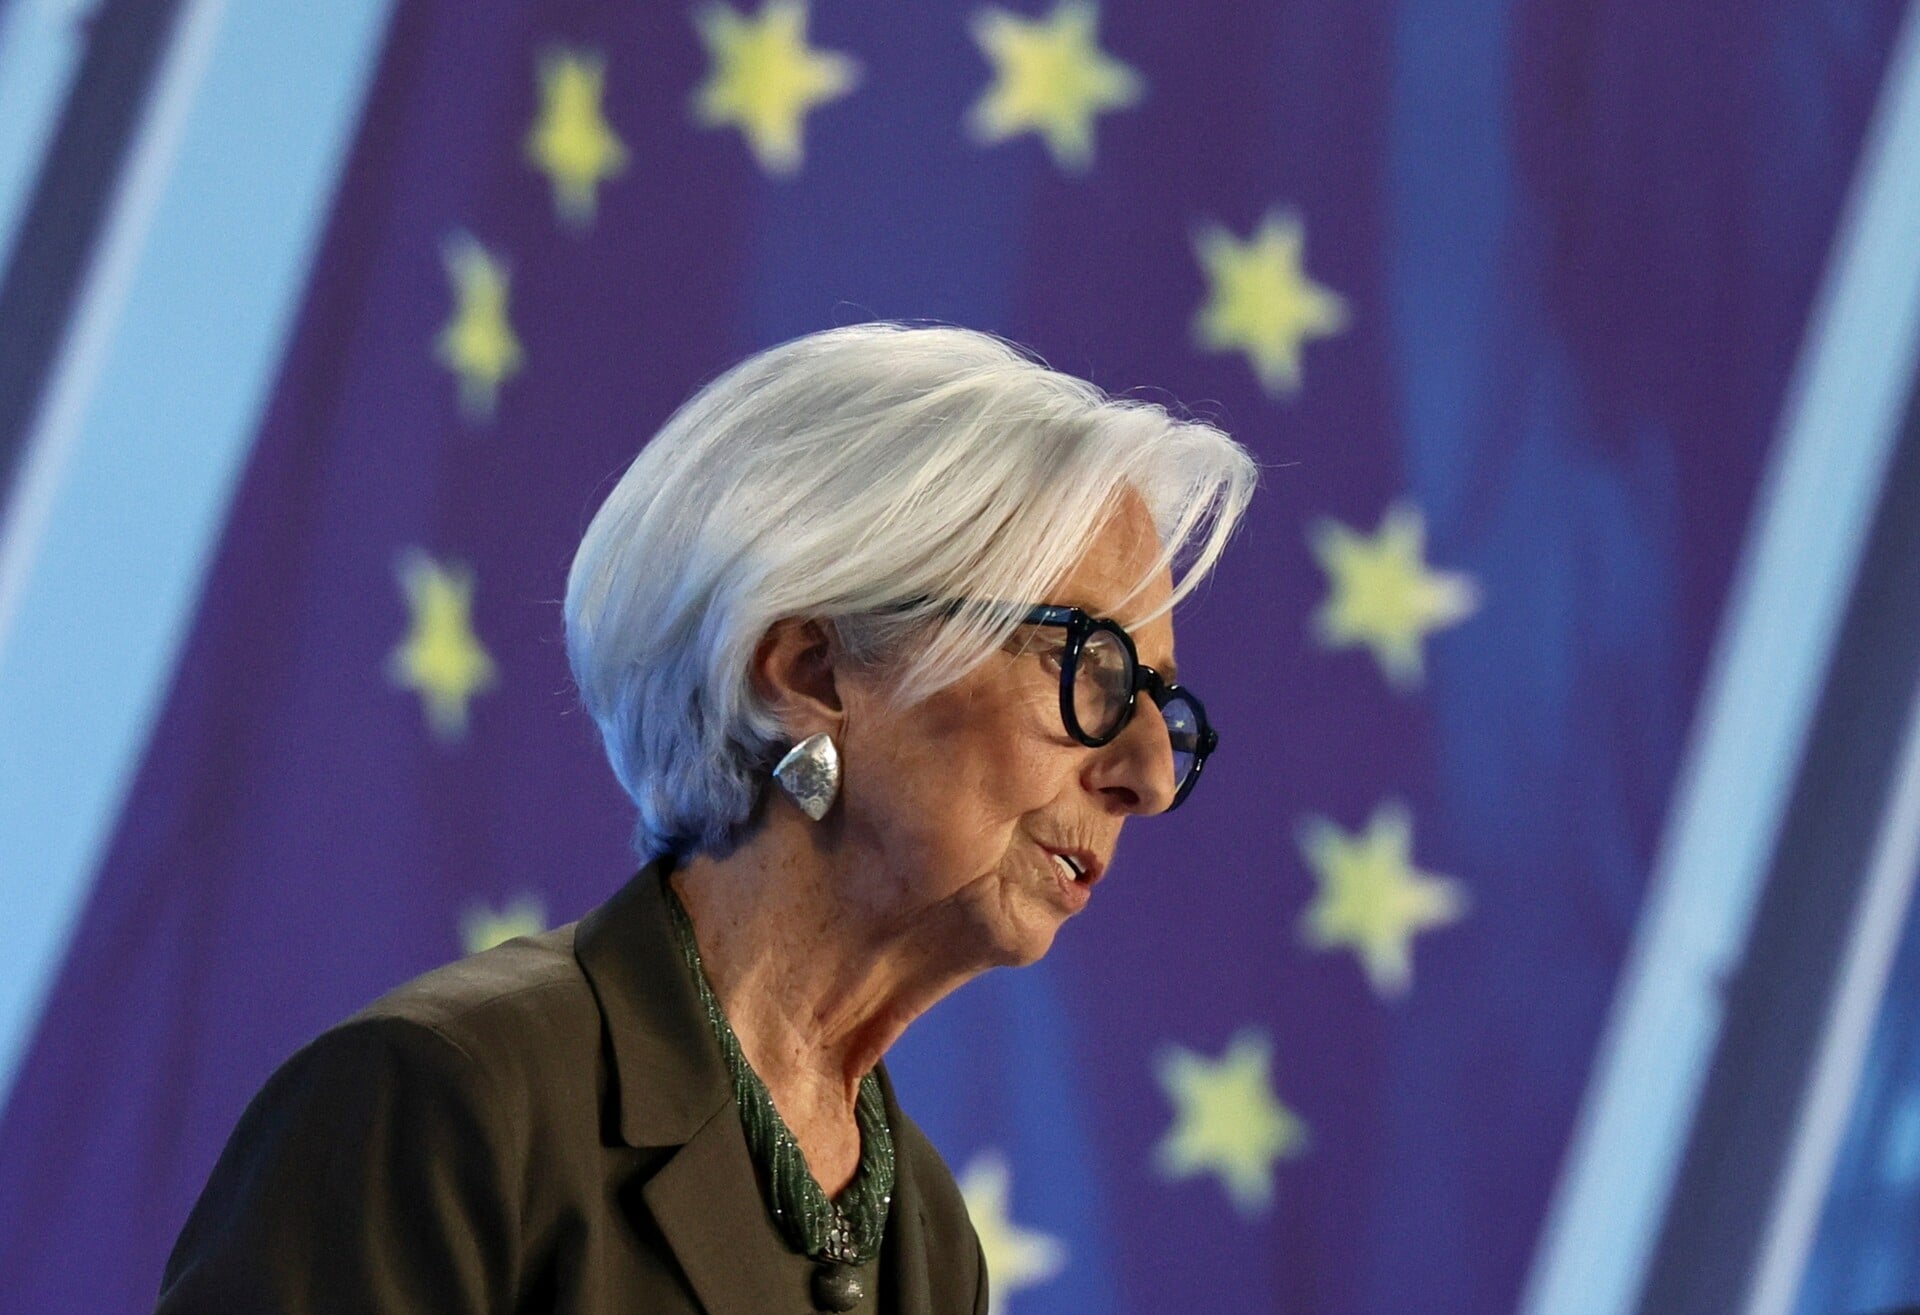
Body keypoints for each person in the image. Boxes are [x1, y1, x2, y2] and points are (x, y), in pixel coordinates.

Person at [156, 323, 1255, 1313]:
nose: (1149, 776)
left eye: (1160, 705)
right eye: (1089, 668)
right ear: (809, 669)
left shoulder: (924, 1236)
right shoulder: (446, 1103)